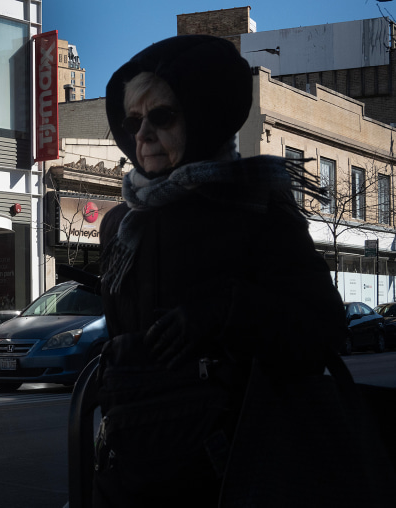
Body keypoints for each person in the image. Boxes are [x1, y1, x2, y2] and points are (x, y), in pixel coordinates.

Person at [94, 35, 349, 506]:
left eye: (162, 117)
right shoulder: (120, 224)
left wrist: (223, 312)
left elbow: (324, 328)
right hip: (134, 465)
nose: (142, 135)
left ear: (205, 115)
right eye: (132, 121)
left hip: (234, 466)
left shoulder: (254, 207)